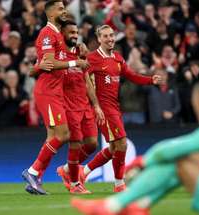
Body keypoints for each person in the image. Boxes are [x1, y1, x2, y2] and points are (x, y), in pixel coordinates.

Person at [71, 81, 199, 215]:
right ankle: (137, 206)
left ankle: (114, 205)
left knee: (181, 161)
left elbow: (174, 148)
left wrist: (144, 161)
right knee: (187, 161)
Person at [79, 25, 162, 193]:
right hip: (103, 109)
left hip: (114, 107)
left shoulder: (117, 58)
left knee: (113, 148)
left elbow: (131, 75)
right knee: (122, 144)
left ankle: (83, 172)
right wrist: (92, 106)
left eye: (111, 35)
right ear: (99, 39)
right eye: (105, 36)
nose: (110, 39)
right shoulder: (92, 58)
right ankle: (119, 184)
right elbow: (82, 81)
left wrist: (150, 80)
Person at [21, 0, 89, 195]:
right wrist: (74, 62)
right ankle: (33, 172)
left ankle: (35, 178)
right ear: (51, 14)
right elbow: (49, 63)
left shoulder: (57, 35)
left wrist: (79, 51)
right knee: (63, 135)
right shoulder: (47, 33)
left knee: (53, 137)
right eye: (60, 8)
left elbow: (43, 63)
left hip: (55, 91)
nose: (64, 10)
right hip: (48, 91)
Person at [31, 20, 105, 194]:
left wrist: (95, 105)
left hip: (84, 105)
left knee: (92, 144)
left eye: (76, 32)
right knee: (74, 143)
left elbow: (87, 81)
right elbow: (36, 69)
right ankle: (74, 183)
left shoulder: (80, 52)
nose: (75, 35)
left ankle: (65, 170)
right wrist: (37, 66)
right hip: (68, 105)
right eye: (71, 32)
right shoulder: (56, 54)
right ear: (62, 34)